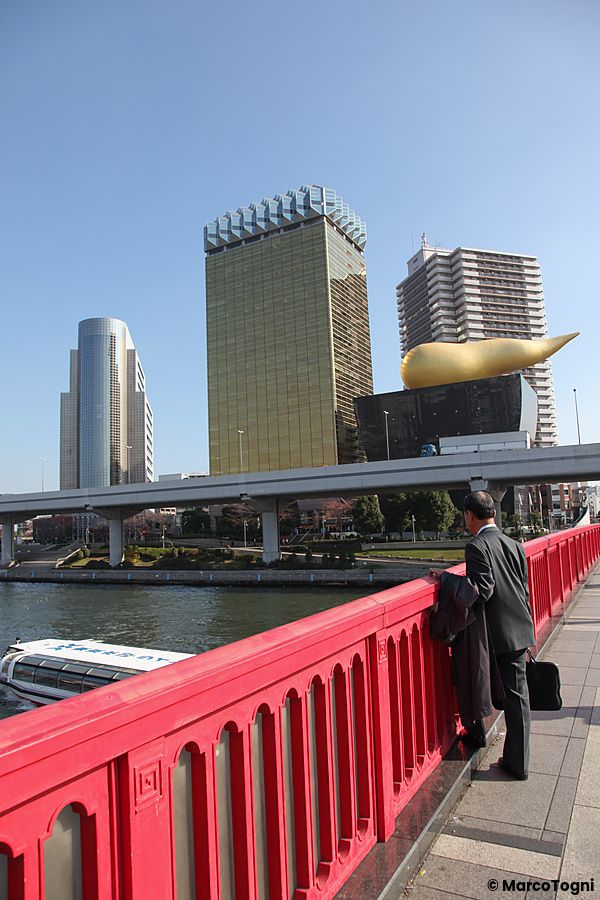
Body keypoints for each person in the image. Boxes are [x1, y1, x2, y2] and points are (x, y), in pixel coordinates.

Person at [432, 490, 535, 780]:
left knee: (501, 691)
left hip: (500, 633)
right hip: (520, 626)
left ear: (469, 515)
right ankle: (517, 759)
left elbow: (482, 589)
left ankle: (516, 763)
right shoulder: (514, 544)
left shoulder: (477, 546)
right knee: (517, 697)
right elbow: (522, 586)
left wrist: (446, 578)